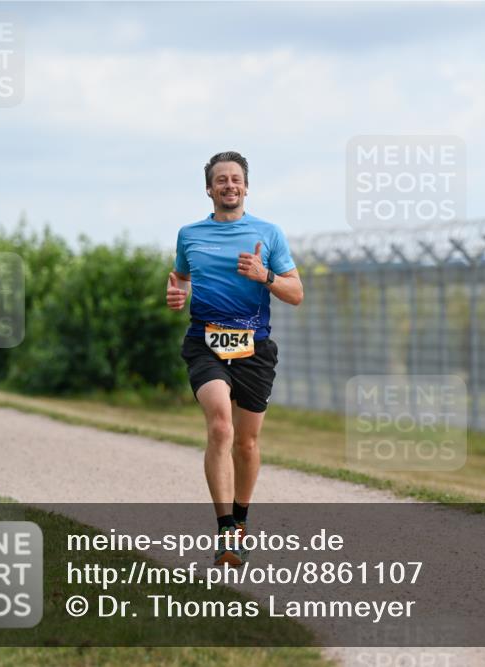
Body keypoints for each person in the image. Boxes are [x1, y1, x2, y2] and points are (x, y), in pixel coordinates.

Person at [166, 151, 303, 567]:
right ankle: (225, 529)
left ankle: (241, 519)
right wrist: (175, 294)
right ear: (209, 189)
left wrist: (265, 276)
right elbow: (181, 279)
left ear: (246, 186)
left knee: (246, 442)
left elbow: (295, 293)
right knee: (221, 426)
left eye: (236, 179)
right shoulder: (189, 235)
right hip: (205, 343)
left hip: (254, 348)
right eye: (221, 180)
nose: (229, 186)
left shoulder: (269, 233)